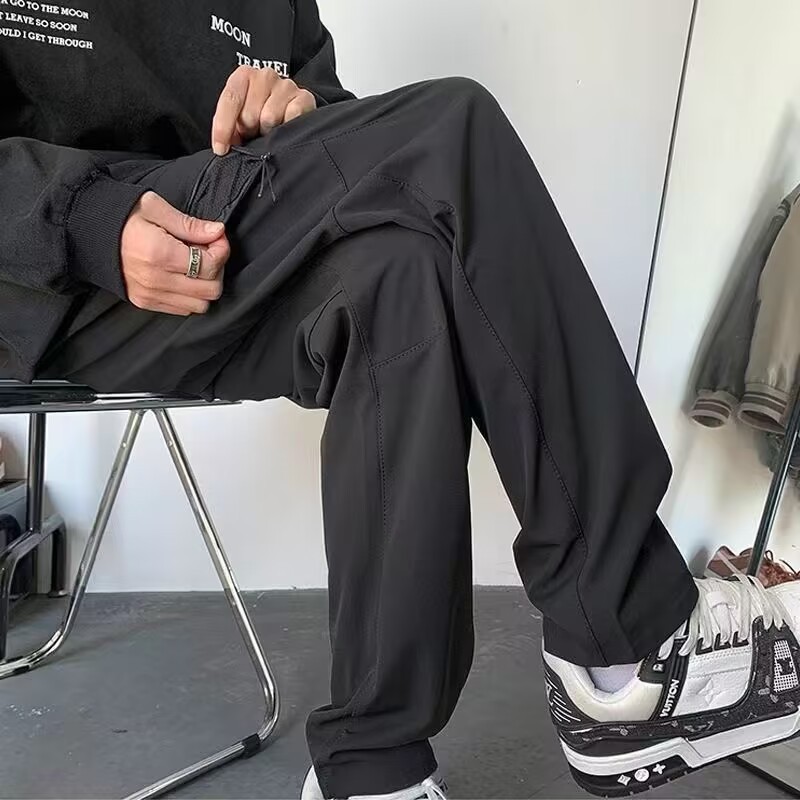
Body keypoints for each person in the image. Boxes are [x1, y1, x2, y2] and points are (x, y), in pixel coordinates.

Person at [3, 2, 800, 798]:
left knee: (397, 274)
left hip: (223, 260)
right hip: (47, 280)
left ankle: (372, 765)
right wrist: (87, 219)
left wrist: (297, 109)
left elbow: (339, 133)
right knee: (451, 128)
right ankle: (627, 629)